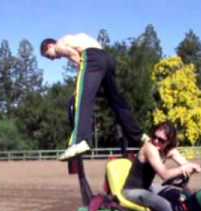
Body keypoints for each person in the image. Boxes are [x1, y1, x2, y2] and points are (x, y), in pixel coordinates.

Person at [40, 33, 146, 161]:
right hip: (107, 59)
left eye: (48, 56)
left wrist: (81, 80)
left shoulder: (58, 45)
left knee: (82, 99)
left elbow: (75, 56)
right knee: (116, 100)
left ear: (49, 45)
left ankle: (80, 141)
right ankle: (139, 135)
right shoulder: (75, 38)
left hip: (91, 57)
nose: (52, 59)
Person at [123, 122, 201, 211]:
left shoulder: (167, 150)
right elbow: (164, 175)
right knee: (164, 205)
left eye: (161, 140)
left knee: (175, 194)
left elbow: (184, 163)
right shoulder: (149, 148)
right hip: (131, 191)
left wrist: (191, 166)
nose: (156, 141)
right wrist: (182, 169)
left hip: (147, 188)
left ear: (169, 141)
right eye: (154, 137)